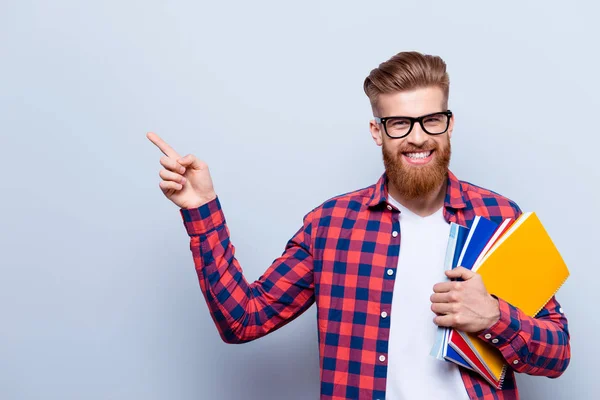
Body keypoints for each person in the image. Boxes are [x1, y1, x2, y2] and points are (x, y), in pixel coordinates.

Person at [147, 51, 570, 400]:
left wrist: (494, 318)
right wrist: (202, 209)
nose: (418, 137)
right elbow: (243, 320)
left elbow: (558, 352)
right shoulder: (331, 227)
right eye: (399, 123)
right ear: (376, 131)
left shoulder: (500, 218)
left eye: (431, 120)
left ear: (450, 123)